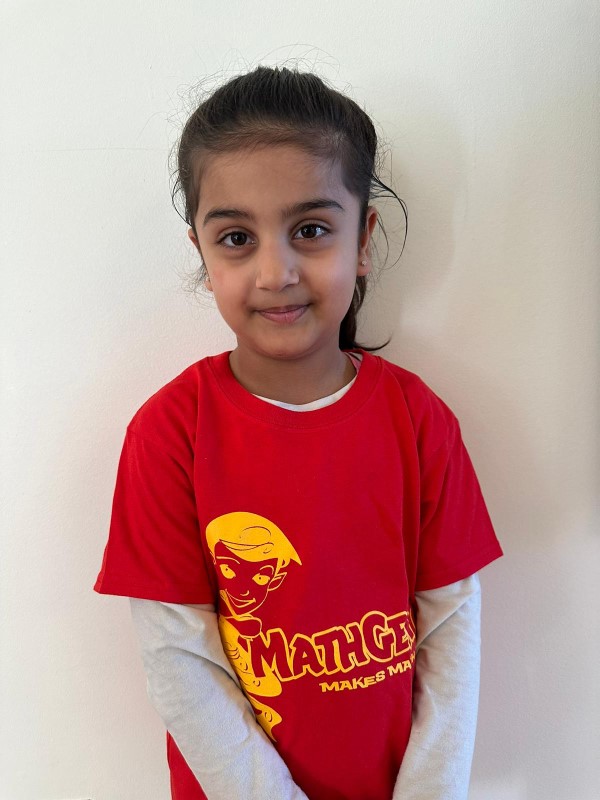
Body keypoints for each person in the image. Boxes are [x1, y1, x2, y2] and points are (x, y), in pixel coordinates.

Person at [94, 64, 503, 800]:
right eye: (236, 238)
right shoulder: (169, 434)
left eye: (311, 230)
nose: (275, 271)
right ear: (202, 253)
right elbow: (178, 656)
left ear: (362, 238)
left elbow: (450, 628)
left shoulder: (419, 422)